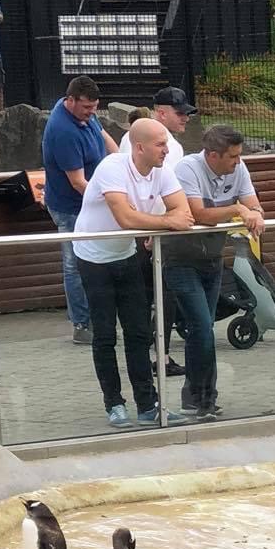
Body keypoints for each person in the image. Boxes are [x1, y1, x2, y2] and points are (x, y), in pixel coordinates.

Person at [71, 117, 191, 427]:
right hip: (93, 258)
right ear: (140, 147)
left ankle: (148, 404)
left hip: (125, 255)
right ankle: (114, 403)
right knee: (105, 334)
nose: (167, 149)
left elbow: (183, 212)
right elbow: (125, 217)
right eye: (160, 144)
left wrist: (159, 222)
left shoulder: (161, 173)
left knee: (138, 332)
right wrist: (163, 222)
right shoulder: (113, 167)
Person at [169, 124, 264, 420]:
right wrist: (238, 209)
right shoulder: (188, 168)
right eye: (233, 156)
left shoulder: (239, 168)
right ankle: (204, 398)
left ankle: (195, 394)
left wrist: (254, 214)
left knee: (205, 327)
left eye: (239, 156)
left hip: (211, 258)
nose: (238, 161)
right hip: (180, 259)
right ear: (212, 155)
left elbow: (255, 207)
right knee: (200, 326)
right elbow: (199, 214)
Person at [41, 75, 118, 344]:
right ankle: (81, 324)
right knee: (74, 263)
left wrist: (121, 162)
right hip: (71, 206)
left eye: (94, 108)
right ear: (70, 100)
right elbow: (78, 182)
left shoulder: (85, 116)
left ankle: (99, 316)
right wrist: (113, 199)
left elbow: (102, 134)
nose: (91, 113)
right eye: (86, 108)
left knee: (97, 257)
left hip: (94, 197)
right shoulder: (63, 131)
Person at [150, 86, 193, 170]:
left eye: (187, 114)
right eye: (180, 113)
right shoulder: (171, 146)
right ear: (162, 114)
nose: (186, 119)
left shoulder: (131, 134)